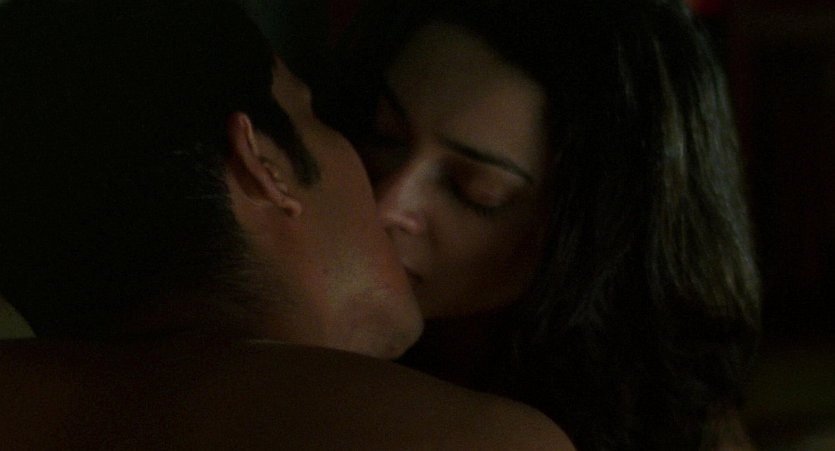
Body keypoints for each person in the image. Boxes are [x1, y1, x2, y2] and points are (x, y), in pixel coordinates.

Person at [0, 0, 575, 448]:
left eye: (476, 192)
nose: (385, 203)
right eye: (316, 115)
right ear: (263, 164)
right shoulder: (472, 440)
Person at [318, 0, 762, 449]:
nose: (385, 205)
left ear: (595, 232)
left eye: (476, 191)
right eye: (385, 137)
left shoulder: (664, 424)